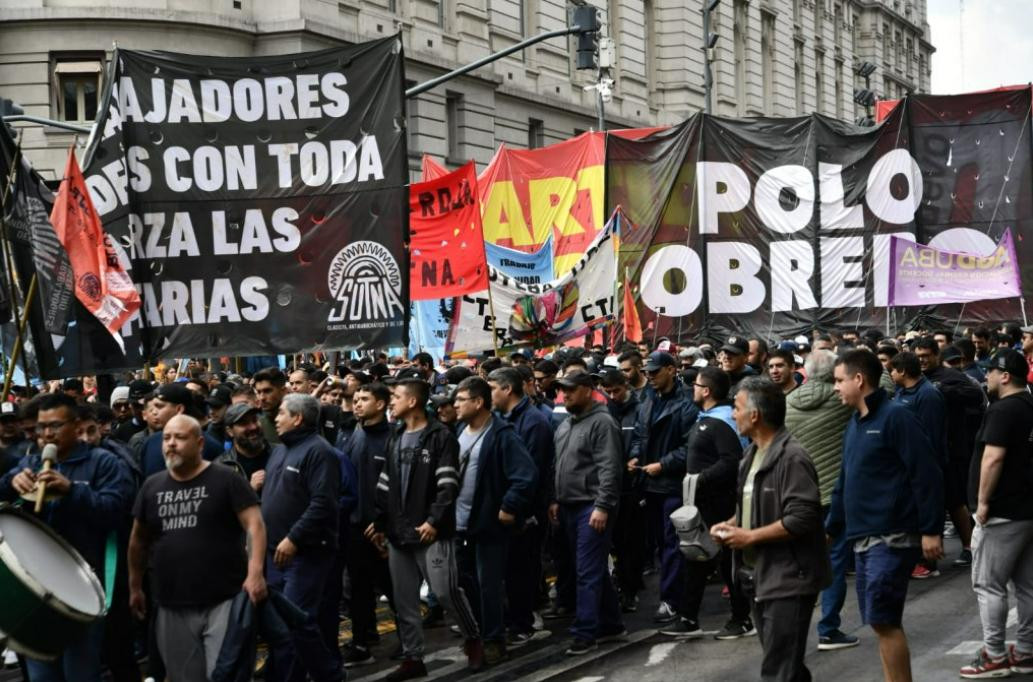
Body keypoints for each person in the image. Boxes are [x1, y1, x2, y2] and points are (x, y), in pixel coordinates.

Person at [828, 350, 944, 682]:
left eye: (839, 381)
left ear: (859, 379)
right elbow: (844, 480)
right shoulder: (854, 423)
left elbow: (926, 473)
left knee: (884, 619)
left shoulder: (896, 417)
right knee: (880, 621)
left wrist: (931, 529)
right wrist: (831, 528)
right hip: (863, 537)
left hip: (892, 536)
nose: (835, 388)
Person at [128, 414, 267, 682]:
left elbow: (255, 525)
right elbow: (138, 541)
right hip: (171, 602)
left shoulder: (226, 478)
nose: (171, 444)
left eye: (179, 438)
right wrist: (134, 587)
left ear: (200, 443)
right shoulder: (152, 486)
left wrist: (255, 572)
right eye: (167, 438)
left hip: (223, 599)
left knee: (225, 674)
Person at [0, 393, 129, 681]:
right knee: (42, 675)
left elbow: (115, 512)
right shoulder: (30, 462)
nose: (46, 434)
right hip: (35, 586)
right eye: (41, 427)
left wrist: (73, 491)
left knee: (80, 674)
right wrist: (11, 483)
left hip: (82, 586)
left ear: (76, 424)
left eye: (55, 426)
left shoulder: (103, 463)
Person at [710, 377, 829, 682]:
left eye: (736, 408)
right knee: (786, 665)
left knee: (778, 669)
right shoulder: (750, 455)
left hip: (789, 578)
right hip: (759, 578)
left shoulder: (792, 457)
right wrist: (733, 525)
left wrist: (749, 537)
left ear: (755, 415)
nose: (732, 414)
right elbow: (749, 505)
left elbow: (802, 518)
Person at [368, 378, 483, 681]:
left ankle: (473, 638)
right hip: (397, 532)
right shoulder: (395, 435)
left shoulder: (440, 436)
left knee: (445, 591)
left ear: (414, 401)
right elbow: (385, 483)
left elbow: (448, 484)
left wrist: (434, 520)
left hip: (431, 531)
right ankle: (413, 656)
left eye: (396, 396)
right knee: (405, 600)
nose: (391, 401)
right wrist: (380, 522)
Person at [660, 367, 751, 640]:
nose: (693, 389)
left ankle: (741, 618)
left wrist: (699, 479)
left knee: (727, 562)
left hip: (719, 503)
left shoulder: (720, 422)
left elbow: (731, 460)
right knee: (697, 558)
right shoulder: (708, 419)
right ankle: (688, 618)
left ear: (707, 390)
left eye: (697, 385)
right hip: (705, 504)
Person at [958, 349, 1033, 678]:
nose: (985, 376)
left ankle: (995, 655)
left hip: (1002, 510)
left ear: (1004, 376)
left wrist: (983, 502)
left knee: (989, 585)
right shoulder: (1030, 405)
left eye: (990, 371)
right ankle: (1028, 650)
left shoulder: (1003, 410)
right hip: (1026, 508)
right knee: (1027, 585)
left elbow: (993, 458)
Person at [452, 377, 537, 664]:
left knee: (488, 584)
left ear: (478, 402)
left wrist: (509, 506)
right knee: (463, 584)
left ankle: (493, 640)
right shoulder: (459, 431)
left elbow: (526, 475)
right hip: (459, 523)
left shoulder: (502, 434)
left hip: (488, 524)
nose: (455, 405)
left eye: (461, 399)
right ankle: (476, 634)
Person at [261, 392, 344, 682]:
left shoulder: (319, 451)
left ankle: (330, 674)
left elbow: (323, 503)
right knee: (281, 625)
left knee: (297, 621)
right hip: (274, 554)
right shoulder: (280, 450)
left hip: (305, 553)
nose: (275, 418)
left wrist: (294, 538)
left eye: (281, 413)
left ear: (297, 418)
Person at [783, 349, 858, 651]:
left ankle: (792, 629)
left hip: (799, 493)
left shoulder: (788, 402)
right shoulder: (842, 401)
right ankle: (828, 628)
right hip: (834, 493)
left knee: (799, 564)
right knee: (835, 562)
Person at [549, 370, 625, 655]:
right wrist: (555, 498)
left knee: (587, 570)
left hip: (591, 507)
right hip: (568, 506)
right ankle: (611, 624)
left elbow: (610, 469)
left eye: (570, 389)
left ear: (587, 390)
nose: (564, 394)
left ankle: (585, 632)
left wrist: (603, 506)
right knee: (591, 569)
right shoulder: (566, 424)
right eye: (562, 390)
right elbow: (558, 465)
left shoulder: (603, 423)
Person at [628, 351, 699, 626]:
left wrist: (664, 464)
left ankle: (672, 600)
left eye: (655, 372)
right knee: (660, 545)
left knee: (672, 544)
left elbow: (690, 446)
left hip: (672, 484)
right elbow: (639, 435)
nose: (650, 377)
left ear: (671, 370)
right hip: (649, 484)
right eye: (647, 373)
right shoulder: (646, 400)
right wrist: (636, 455)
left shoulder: (687, 402)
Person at [487, 367, 555, 645]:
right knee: (506, 570)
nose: (488, 394)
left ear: (507, 389)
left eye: (492, 388)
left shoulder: (534, 422)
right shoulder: (499, 419)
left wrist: (520, 509)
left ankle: (522, 624)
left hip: (526, 512)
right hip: (504, 508)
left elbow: (531, 472)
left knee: (521, 570)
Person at [914, 336, 984, 568]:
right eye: (919, 356)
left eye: (926, 356)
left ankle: (969, 546)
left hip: (953, 448)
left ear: (937, 355)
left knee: (955, 501)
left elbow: (975, 396)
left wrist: (944, 390)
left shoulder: (952, 376)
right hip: (928, 449)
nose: (922, 360)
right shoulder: (916, 378)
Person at [340, 382, 395, 667]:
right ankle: (363, 641)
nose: (357, 403)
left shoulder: (393, 439)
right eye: (356, 399)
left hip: (383, 528)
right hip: (355, 526)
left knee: (394, 586)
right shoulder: (352, 433)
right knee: (359, 590)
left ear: (382, 404)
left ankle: (410, 643)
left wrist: (384, 522)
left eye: (364, 399)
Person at [597, 367, 644, 612]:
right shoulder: (603, 411)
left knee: (629, 542)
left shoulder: (639, 409)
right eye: (608, 392)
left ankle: (630, 588)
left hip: (629, 485)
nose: (613, 396)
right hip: (608, 483)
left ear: (625, 386)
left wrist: (635, 457)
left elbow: (640, 437)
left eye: (616, 391)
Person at [139, 383, 224, 478]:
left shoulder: (210, 446)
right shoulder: (150, 443)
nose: (154, 412)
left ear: (179, 409)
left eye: (160, 406)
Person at [216, 402, 271, 494]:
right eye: (244, 423)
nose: (253, 427)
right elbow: (220, 506)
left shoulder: (280, 453)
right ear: (230, 431)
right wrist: (249, 490)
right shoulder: (222, 467)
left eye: (254, 420)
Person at [254, 367, 288, 445]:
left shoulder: (299, 423)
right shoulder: (256, 425)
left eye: (267, 391)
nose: (262, 398)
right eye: (258, 392)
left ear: (283, 391)